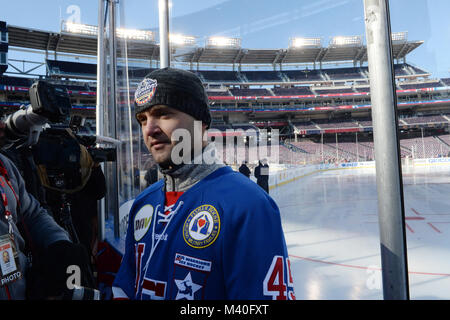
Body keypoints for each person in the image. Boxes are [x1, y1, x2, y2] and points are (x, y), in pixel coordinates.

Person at [112, 67, 295, 300]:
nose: (149, 129)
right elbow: (126, 287)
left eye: (163, 114)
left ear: (201, 122)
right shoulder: (142, 203)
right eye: (142, 119)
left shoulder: (249, 206)